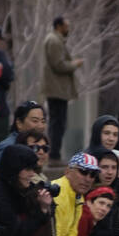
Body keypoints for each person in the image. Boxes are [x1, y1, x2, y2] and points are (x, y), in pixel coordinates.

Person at [42, 16, 84, 162]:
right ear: (59, 26)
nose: (68, 29)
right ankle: (54, 154)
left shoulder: (56, 40)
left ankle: (55, 153)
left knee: (59, 122)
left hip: (58, 89)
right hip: (56, 89)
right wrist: (74, 64)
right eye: (66, 26)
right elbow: (58, 65)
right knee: (57, 122)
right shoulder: (54, 41)